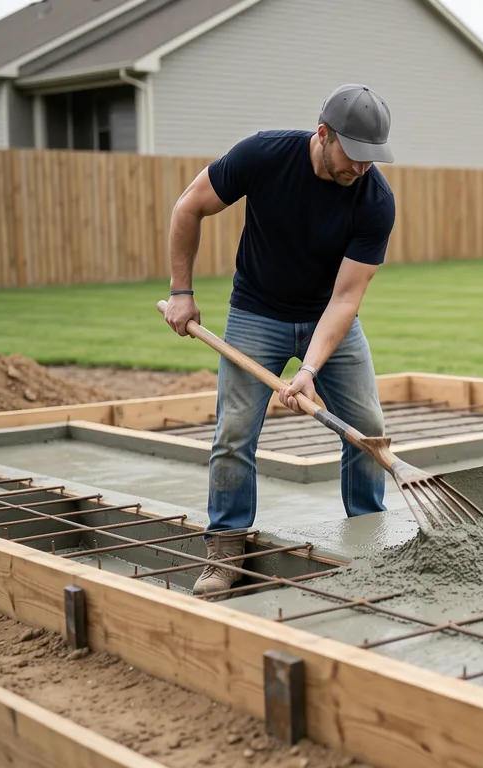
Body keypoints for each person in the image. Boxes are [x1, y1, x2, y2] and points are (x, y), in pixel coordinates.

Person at [161, 84, 397, 597]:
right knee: (235, 431)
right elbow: (187, 208)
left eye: (370, 159)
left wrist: (308, 371)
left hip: (327, 316)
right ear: (323, 135)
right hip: (256, 313)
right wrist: (182, 292)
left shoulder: (375, 199)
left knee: (368, 428)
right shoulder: (263, 155)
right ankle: (225, 550)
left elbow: (345, 300)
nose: (360, 168)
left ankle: (368, 537)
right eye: (353, 156)